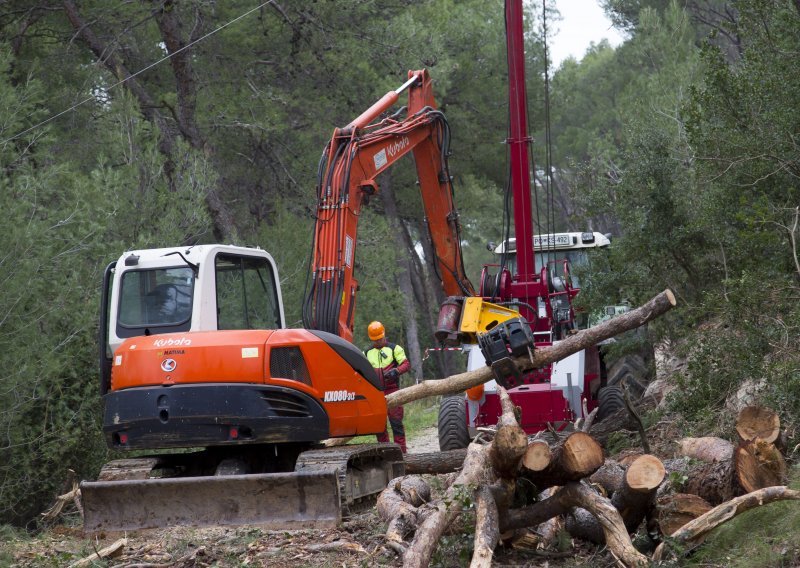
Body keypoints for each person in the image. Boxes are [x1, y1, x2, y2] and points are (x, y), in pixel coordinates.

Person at [364, 321, 410, 453]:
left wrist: (396, 371)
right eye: (375, 340)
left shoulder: (395, 349)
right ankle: (386, 452)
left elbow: (406, 364)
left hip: (393, 390)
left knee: (396, 424)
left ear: (384, 335)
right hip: (376, 393)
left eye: (380, 339)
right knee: (380, 426)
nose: (378, 342)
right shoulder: (366, 352)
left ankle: (402, 452)